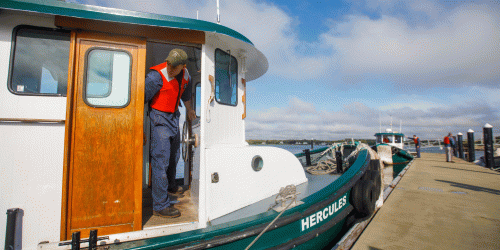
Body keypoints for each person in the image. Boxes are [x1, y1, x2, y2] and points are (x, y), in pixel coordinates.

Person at [144, 49, 196, 218]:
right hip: (159, 118)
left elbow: (186, 94)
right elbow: (139, 98)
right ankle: (160, 205)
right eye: (169, 64)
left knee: (174, 156)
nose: (170, 69)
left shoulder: (186, 76)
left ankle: (170, 186)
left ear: (183, 66)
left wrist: (189, 110)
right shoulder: (155, 77)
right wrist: (138, 126)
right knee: (161, 160)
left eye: (174, 67)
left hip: (174, 117)